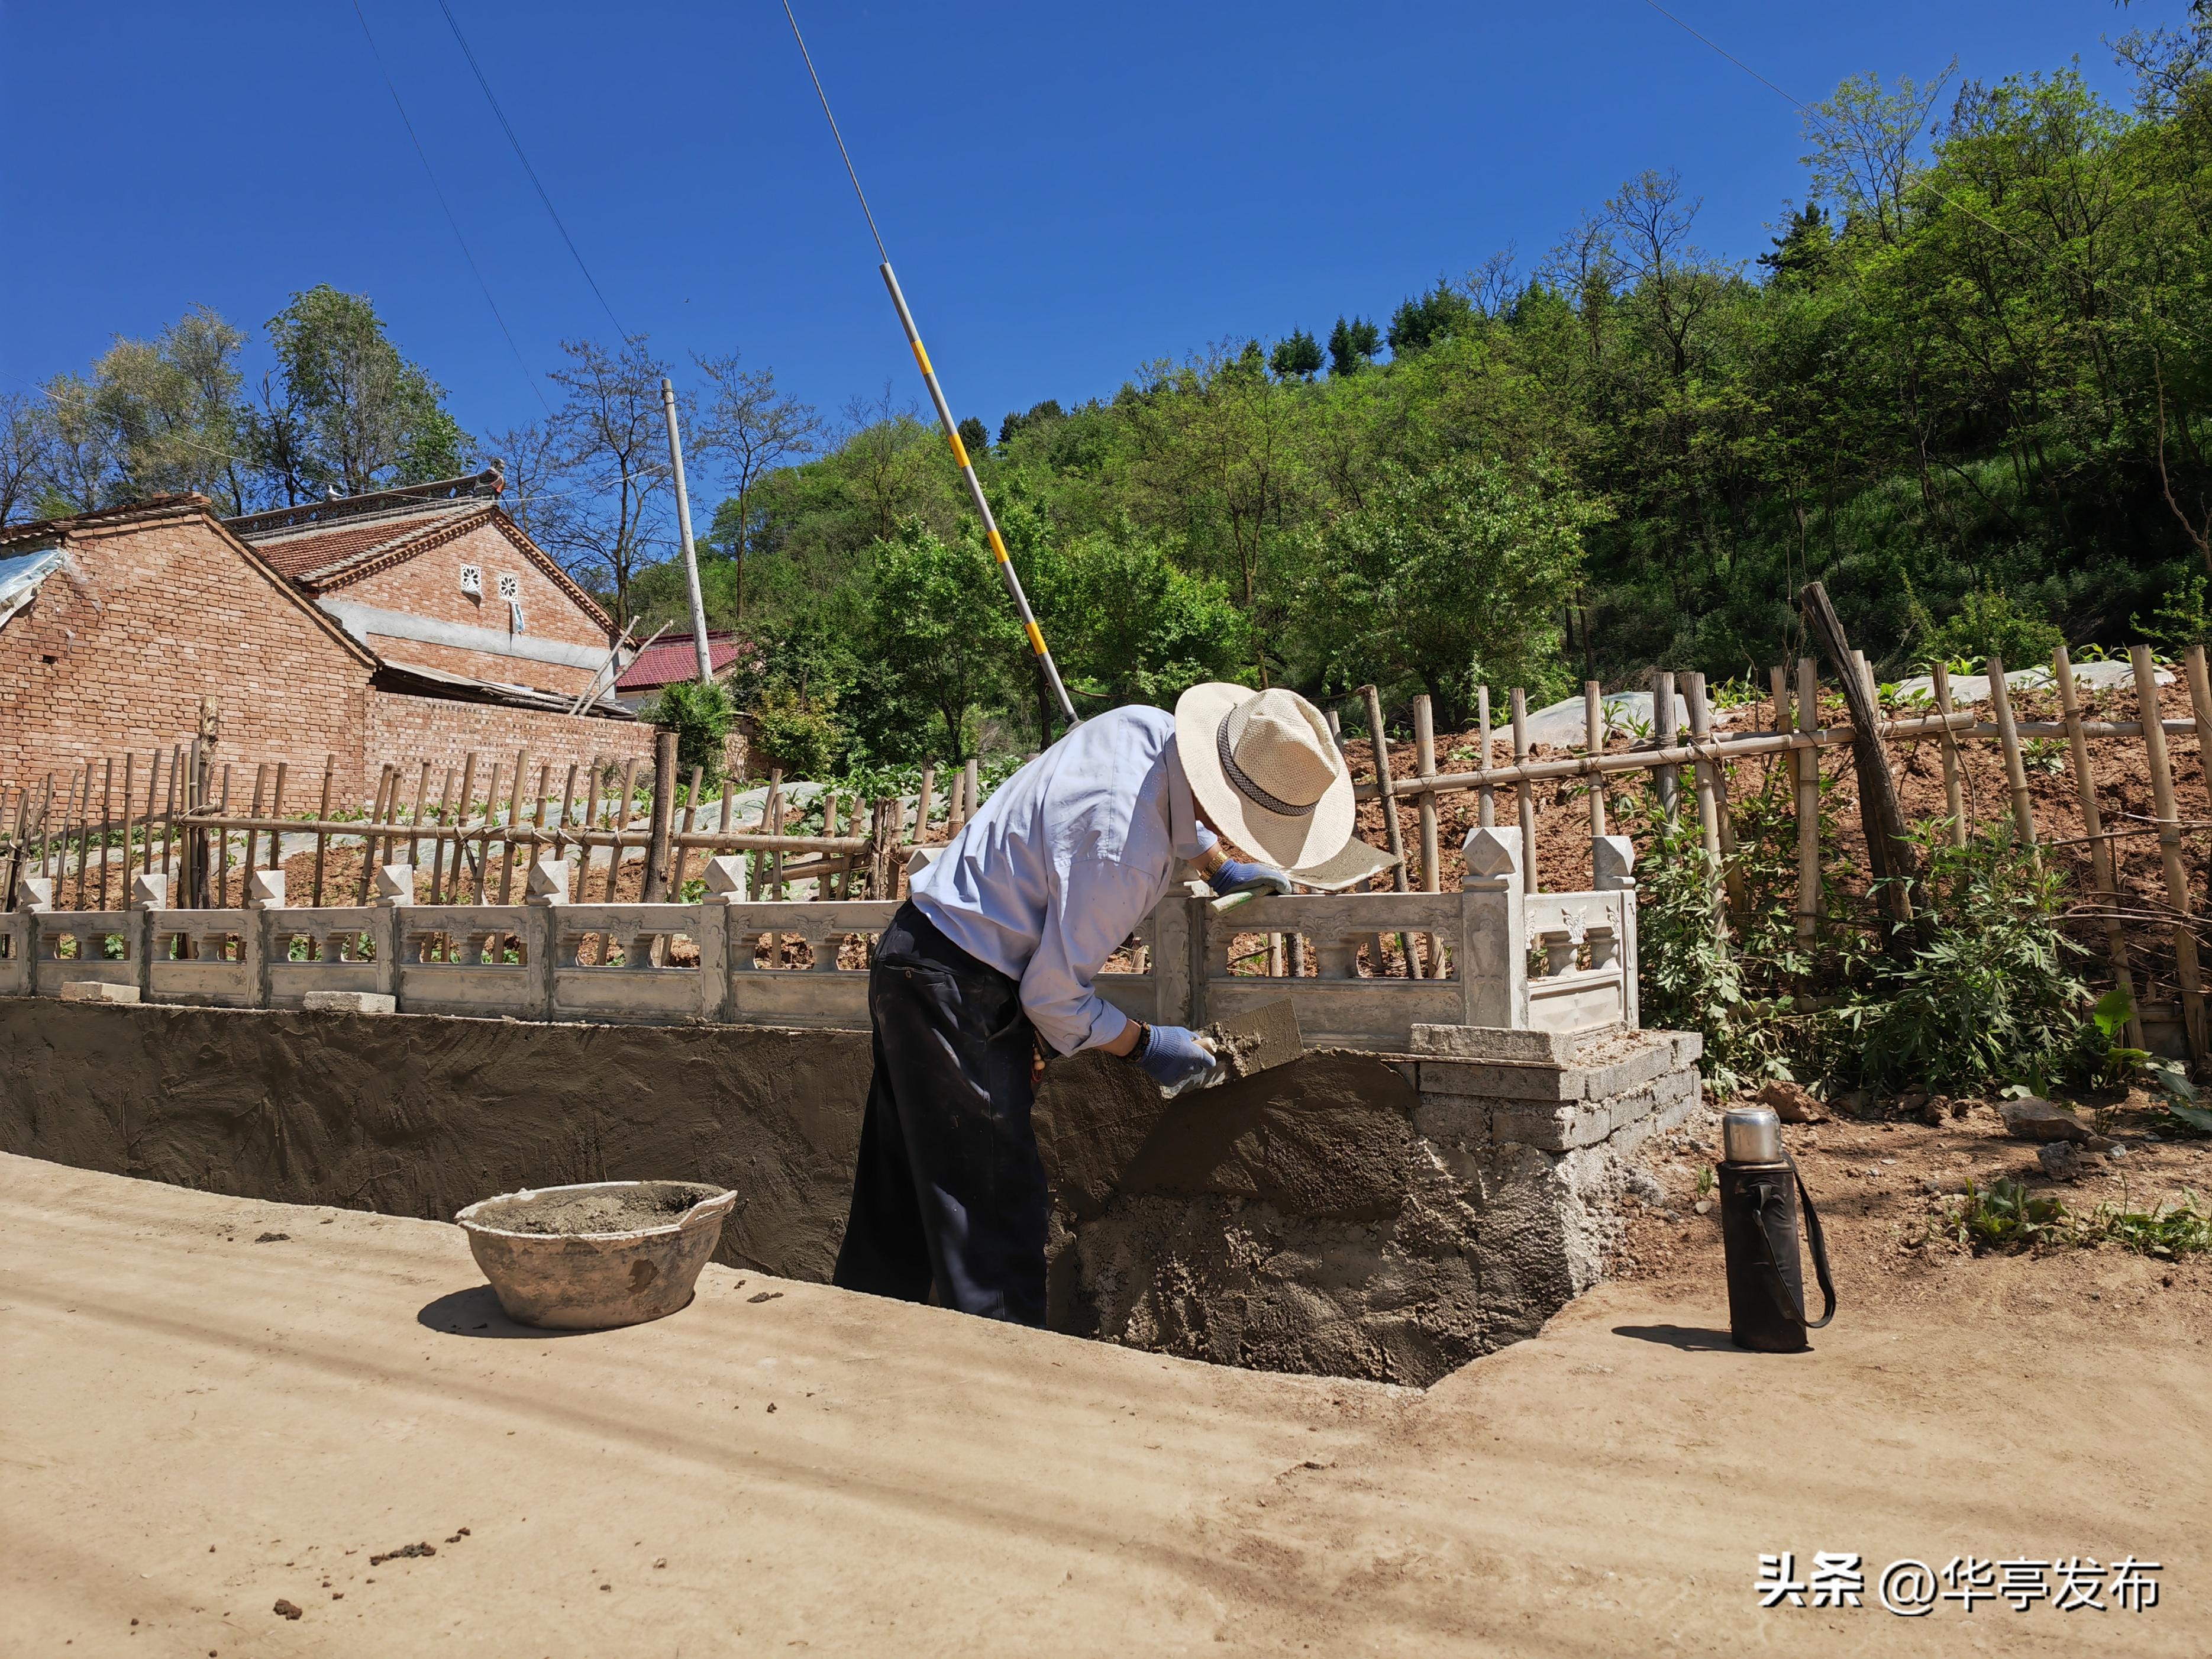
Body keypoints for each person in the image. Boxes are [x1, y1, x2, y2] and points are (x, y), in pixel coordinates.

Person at [831, 682, 1357, 1325]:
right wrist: (1146, 1044)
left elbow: (1177, 793)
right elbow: (1051, 996)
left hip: (914, 954)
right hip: (959, 990)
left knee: (902, 1192)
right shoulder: (1123, 857)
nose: (1240, 835)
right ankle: (1002, 1398)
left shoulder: (1140, 724)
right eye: (1244, 824)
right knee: (994, 1220)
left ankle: (854, 1349)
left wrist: (1214, 864)